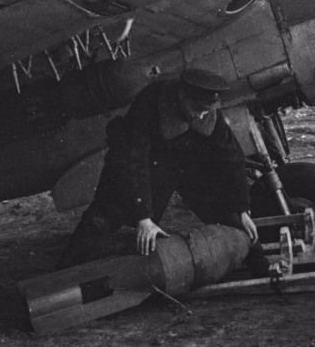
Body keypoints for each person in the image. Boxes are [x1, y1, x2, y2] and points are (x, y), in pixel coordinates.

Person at [57, 68, 268, 275]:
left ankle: (263, 268)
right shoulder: (150, 102)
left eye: (207, 110)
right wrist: (144, 217)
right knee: (100, 220)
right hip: (140, 166)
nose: (201, 115)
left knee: (232, 216)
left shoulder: (207, 113)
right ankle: (62, 273)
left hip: (185, 167)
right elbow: (134, 160)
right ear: (182, 96)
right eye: (196, 108)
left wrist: (242, 208)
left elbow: (232, 159)